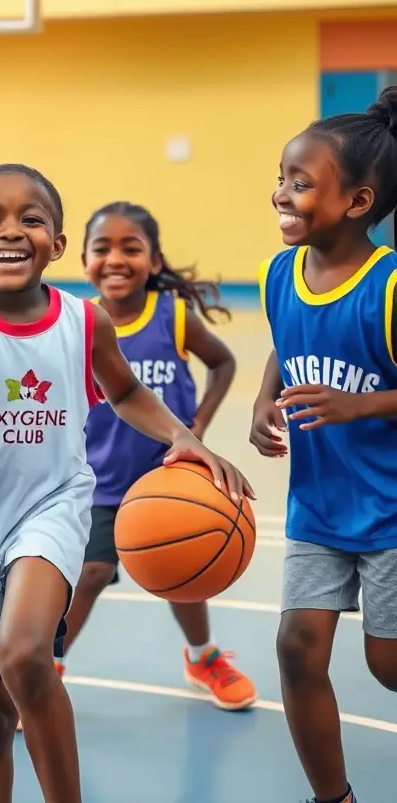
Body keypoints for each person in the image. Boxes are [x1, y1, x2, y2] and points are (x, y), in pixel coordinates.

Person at [0, 163, 254, 803]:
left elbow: (125, 391)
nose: (12, 230)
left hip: (53, 508)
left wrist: (184, 436)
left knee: (27, 652)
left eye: (31, 218)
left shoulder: (83, 323)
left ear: (56, 245)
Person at [249, 88, 397, 803]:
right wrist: (260, 396)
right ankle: (332, 797)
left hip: (391, 511)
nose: (281, 191)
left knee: (388, 665)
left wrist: (363, 403)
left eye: (301, 182)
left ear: (359, 202)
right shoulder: (281, 274)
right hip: (317, 507)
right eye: (281, 175)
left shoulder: (390, 286)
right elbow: (286, 343)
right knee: (296, 652)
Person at [55, 200, 256, 710]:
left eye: (131, 248)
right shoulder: (78, 324)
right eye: (102, 248)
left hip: (169, 475)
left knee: (183, 567)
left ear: (155, 261)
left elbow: (224, 362)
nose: (116, 259)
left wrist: (201, 422)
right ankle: (50, 666)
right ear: (83, 260)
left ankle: (202, 656)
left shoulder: (173, 316)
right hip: (101, 478)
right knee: (91, 572)